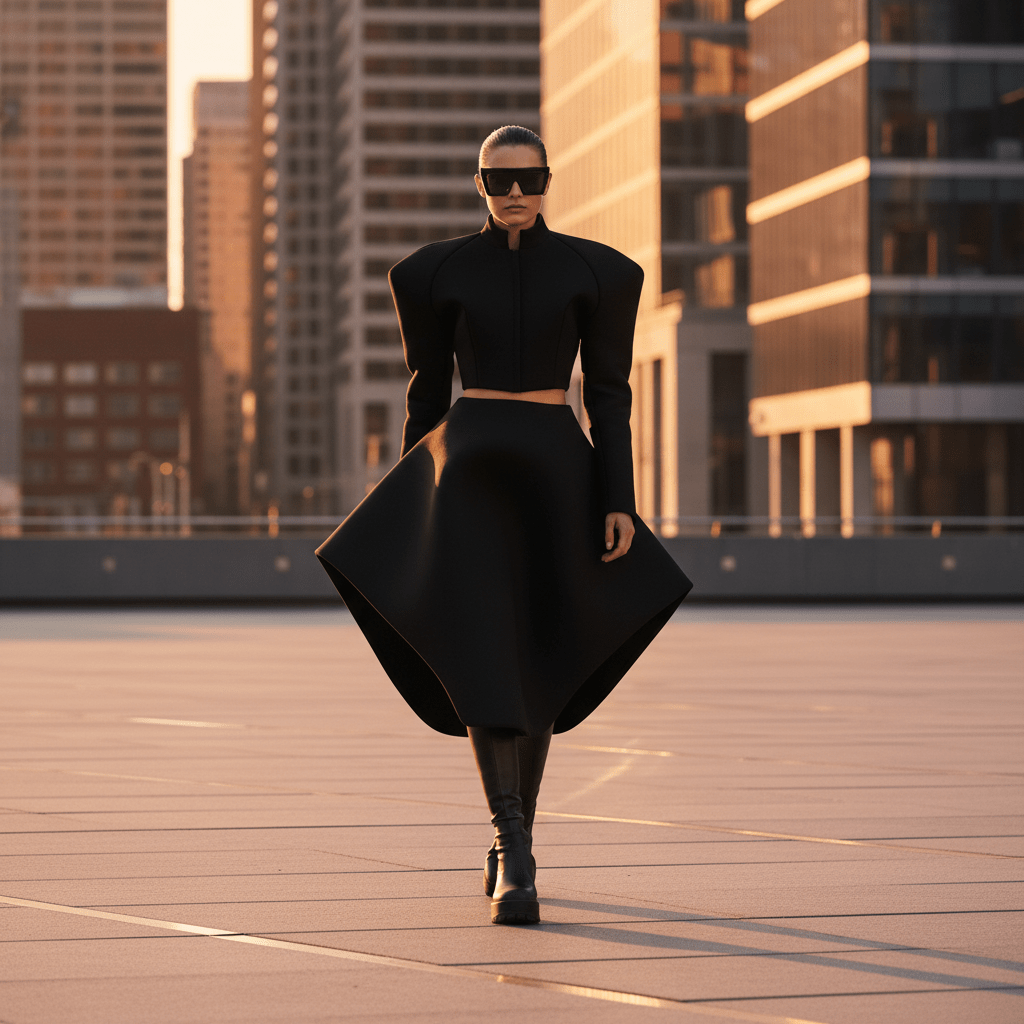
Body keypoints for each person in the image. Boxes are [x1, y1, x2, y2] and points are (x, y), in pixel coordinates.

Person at [317, 125, 692, 926]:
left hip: (560, 471)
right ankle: (513, 845)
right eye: (497, 180)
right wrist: (409, 502)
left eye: (528, 178)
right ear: (479, 183)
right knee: (486, 655)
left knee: (544, 658)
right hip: (468, 477)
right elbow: (426, 393)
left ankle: (513, 841)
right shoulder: (433, 272)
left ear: (549, 179)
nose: (514, 192)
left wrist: (617, 497)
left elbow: (612, 394)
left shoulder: (600, 271)